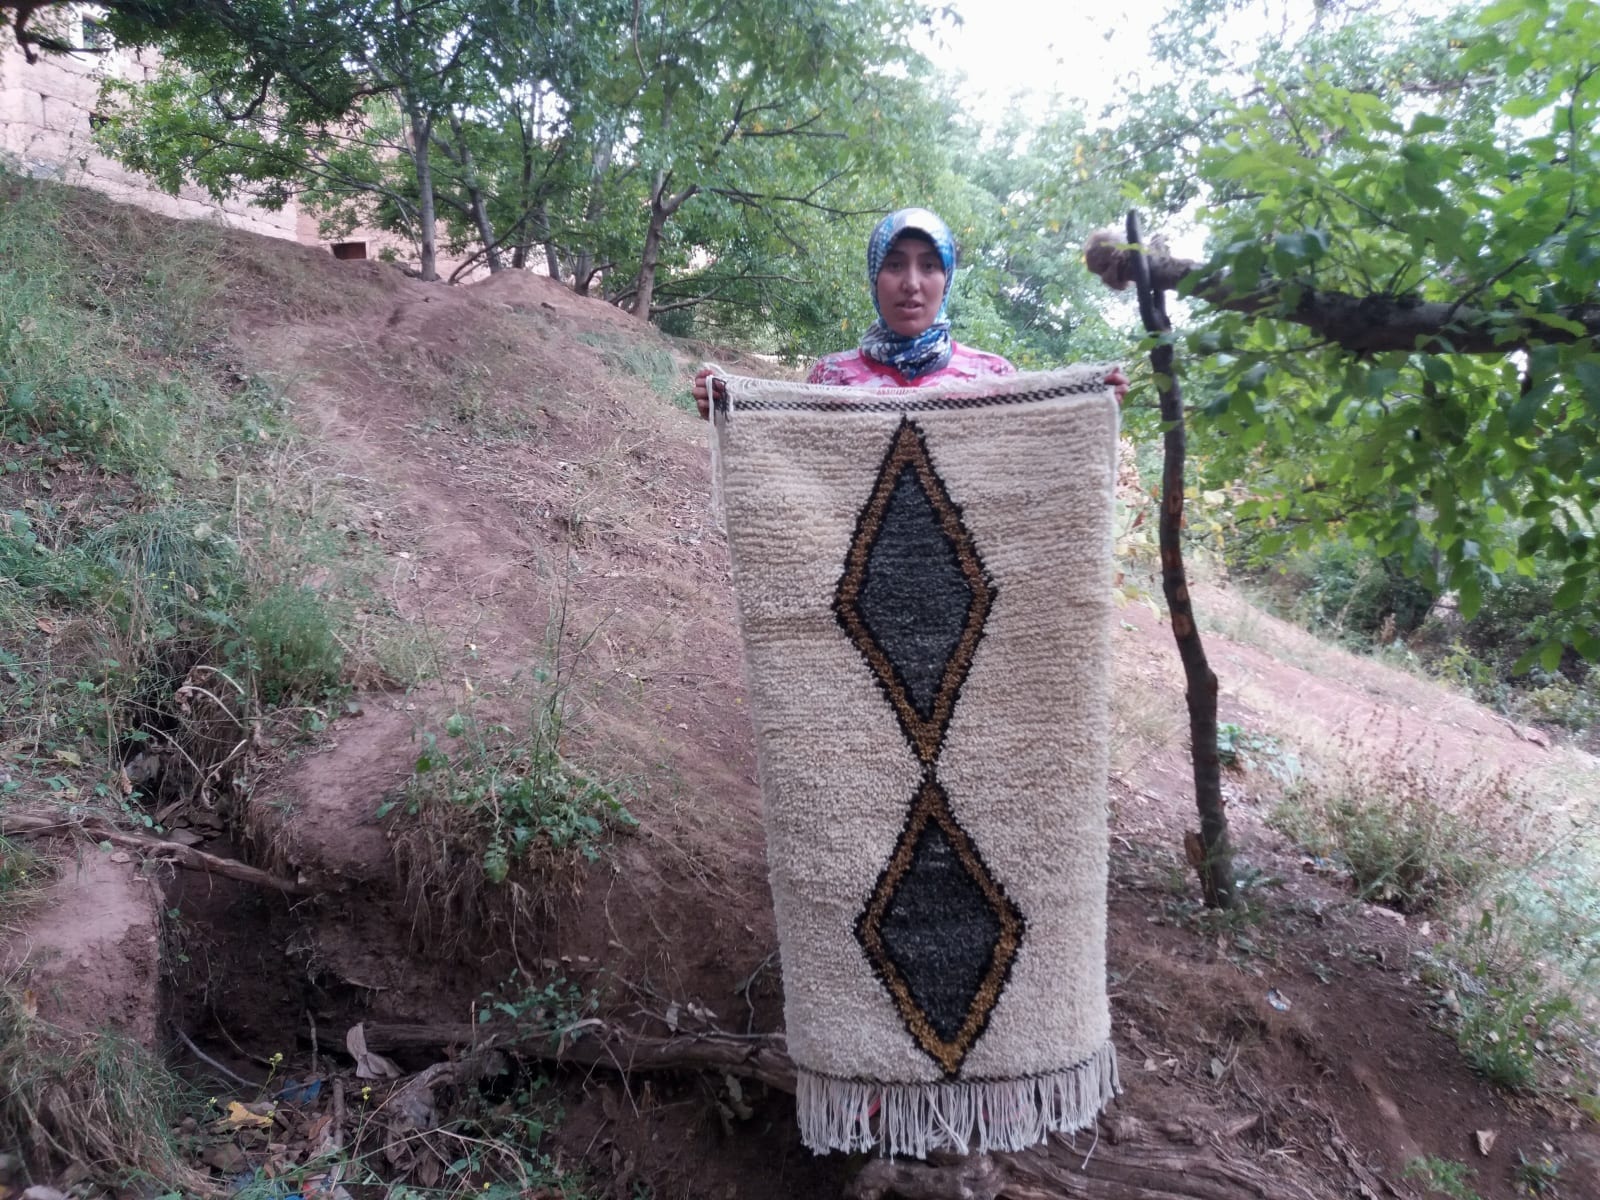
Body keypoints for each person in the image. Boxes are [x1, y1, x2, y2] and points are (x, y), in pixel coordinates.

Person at [693, 206, 1127, 416]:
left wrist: (1087, 404)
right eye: (895, 264)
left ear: (948, 278)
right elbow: (792, 471)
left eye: (930, 265)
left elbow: (1027, 473)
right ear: (873, 276)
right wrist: (729, 408)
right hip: (853, 589)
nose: (912, 283)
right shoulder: (831, 377)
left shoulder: (993, 377)